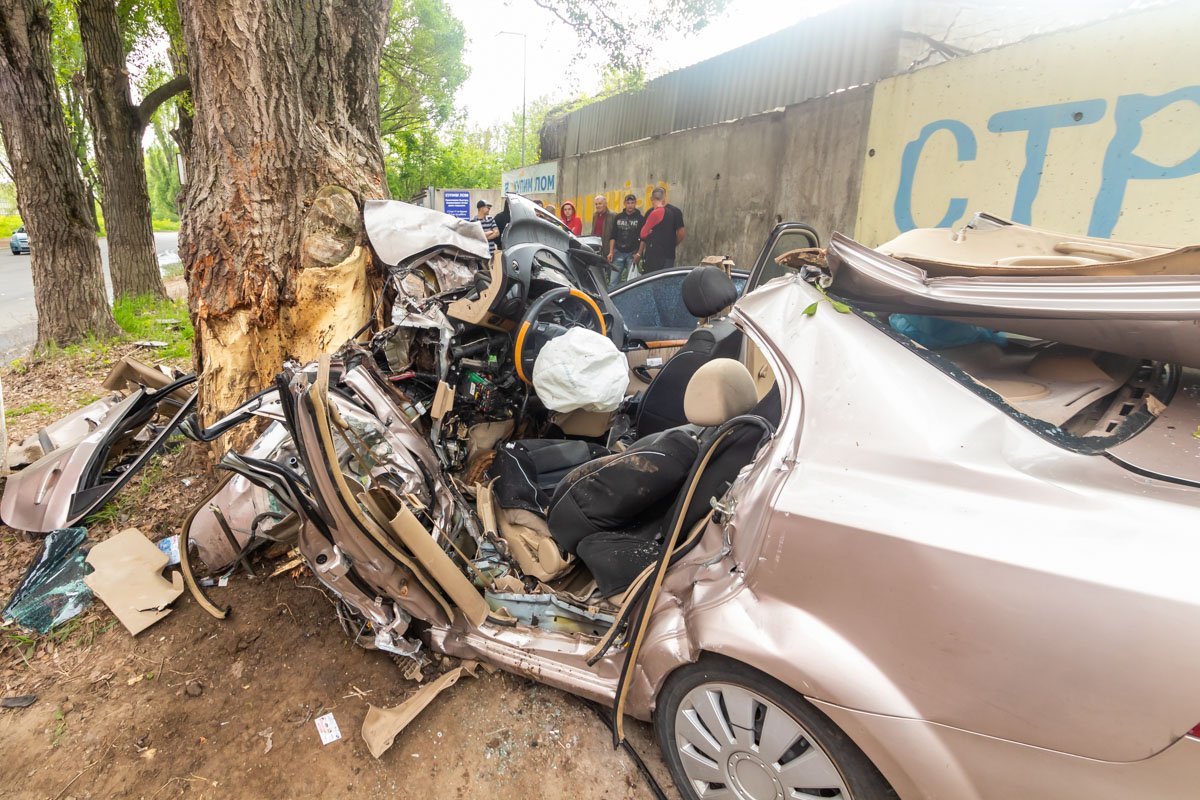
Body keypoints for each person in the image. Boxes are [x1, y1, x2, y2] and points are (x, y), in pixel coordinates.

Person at [636, 187, 685, 271]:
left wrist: (671, 245)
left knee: (654, 278)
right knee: (663, 278)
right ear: (664, 197)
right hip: (660, 255)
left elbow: (643, 234)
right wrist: (671, 245)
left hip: (659, 255)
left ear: (651, 199)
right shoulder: (668, 212)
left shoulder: (658, 212)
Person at [610, 193, 644, 286]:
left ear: (635, 203)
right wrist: (611, 252)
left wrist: (639, 254)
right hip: (618, 252)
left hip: (632, 254)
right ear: (624, 203)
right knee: (613, 282)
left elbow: (643, 238)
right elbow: (613, 236)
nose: (630, 205)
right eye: (628, 203)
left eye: (632, 203)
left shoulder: (640, 218)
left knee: (632, 283)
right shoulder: (618, 217)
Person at [591, 195, 616, 260]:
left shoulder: (613, 215)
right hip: (596, 249)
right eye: (596, 204)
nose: (597, 206)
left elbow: (615, 234)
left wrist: (612, 251)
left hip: (607, 250)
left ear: (605, 204)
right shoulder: (595, 215)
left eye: (600, 203)